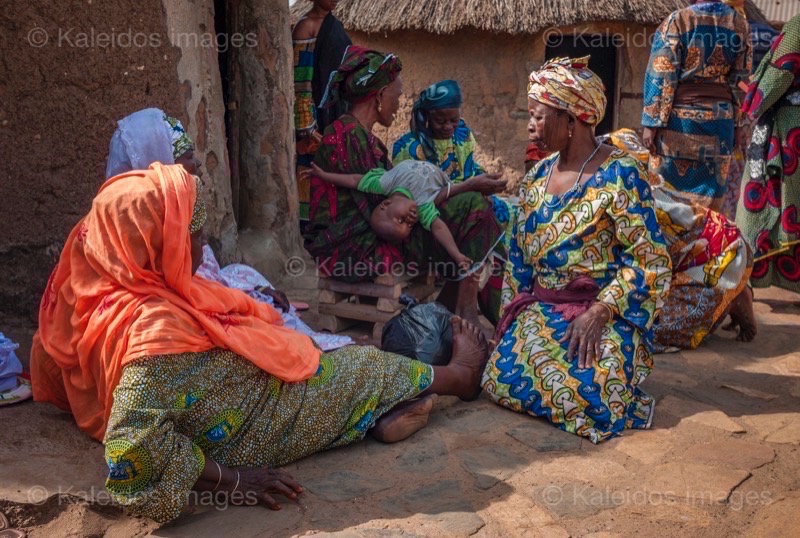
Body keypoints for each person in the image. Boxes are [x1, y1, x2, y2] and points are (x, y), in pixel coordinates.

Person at [29, 161, 493, 523]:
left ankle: (380, 415)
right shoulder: (153, 334)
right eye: (192, 234)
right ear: (154, 243)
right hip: (246, 428)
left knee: (323, 354)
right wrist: (235, 482)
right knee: (361, 366)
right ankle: (455, 377)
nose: (202, 243)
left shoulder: (96, 293)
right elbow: (129, 450)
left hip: (226, 400)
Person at [482, 57, 673, 444]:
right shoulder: (536, 179)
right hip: (543, 309)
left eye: (539, 116)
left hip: (601, 313)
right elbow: (518, 262)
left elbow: (650, 260)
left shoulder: (620, 174)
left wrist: (603, 310)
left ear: (571, 120)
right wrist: (507, 324)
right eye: (530, 115)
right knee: (499, 378)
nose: (531, 125)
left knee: (592, 396)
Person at [106, 108, 353, 351]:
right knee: (263, 323)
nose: (198, 163)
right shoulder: (145, 234)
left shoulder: (157, 212)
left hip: (192, 287)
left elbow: (201, 273)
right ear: (162, 164)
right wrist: (249, 301)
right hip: (185, 297)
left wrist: (254, 291)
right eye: (190, 156)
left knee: (243, 275)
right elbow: (186, 281)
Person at [303, 47, 507, 324]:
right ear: (378, 97)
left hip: (380, 229)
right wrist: (466, 187)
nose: (399, 104)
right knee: (472, 207)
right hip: (356, 246)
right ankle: (468, 305)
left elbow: (399, 201)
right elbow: (386, 211)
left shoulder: (359, 136)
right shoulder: (349, 138)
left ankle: (458, 299)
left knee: (474, 206)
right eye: (396, 95)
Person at [602, 128, 756, 347]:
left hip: (722, 255)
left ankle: (732, 298)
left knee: (645, 330)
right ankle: (727, 297)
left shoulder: (637, 199)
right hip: (702, 254)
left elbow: (645, 265)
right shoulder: (644, 184)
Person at [641, 0, 752, 213]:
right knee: (709, 203)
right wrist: (737, 125)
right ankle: (705, 242)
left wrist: (651, 122)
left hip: (679, 124)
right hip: (720, 125)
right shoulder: (739, 24)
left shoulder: (678, 21)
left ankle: (672, 244)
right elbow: (741, 81)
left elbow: (662, 73)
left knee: (666, 197)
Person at [309, 159, 506, 271]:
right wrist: (456, 255)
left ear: (386, 204)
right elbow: (439, 228)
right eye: (409, 226)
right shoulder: (423, 206)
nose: (411, 220)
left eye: (401, 219)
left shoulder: (385, 183)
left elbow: (354, 180)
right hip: (444, 182)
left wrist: (324, 175)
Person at [736, 14, 800, 294]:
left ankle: (743, 284)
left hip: (789, 129)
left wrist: (753, 102)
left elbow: (781, 70)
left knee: (759, 202)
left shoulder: (798, 26)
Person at [293, 0, 352, 226]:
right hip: (315, 121)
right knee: (310, 177)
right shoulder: (306, 26)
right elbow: (301, 83)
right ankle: (308, 228)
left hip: (334, 114)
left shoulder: (334, 25)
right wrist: (307, 128)